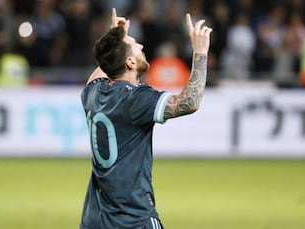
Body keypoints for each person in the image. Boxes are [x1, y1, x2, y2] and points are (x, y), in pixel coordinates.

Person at [80, 8, 212, 229]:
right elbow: (190, 102)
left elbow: (105, 68)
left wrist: (116, 37)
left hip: (95, 219)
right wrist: (200, 53)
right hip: (133, 218)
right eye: (135, 45)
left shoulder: (93, 93)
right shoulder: (135, 99)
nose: (142, 46)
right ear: (130, 62)